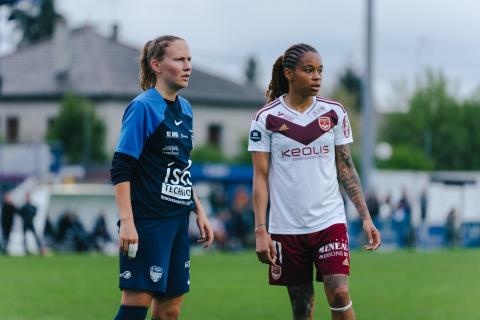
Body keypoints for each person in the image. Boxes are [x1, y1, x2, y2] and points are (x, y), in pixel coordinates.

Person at [248, 43, 381, 320]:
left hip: (329, 221)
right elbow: (260, 178)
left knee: (339, 293)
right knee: (301, 307)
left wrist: (366, 217)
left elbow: (346, 168)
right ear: (289, 73)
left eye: (320, 70)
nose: (317, 76)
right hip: (286, 227)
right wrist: (261, 230)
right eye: (308, 70)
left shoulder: (334, 113)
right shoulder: (265, 118)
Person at [110, 35, 214, 320]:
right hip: (148, 221)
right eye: (179, 59)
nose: (187, 66)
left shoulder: (186, 109)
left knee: (170, 311)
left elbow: (181, 166)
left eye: (189, 59)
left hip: (178, 220)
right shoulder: (143, 107)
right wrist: (128, 222)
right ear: (156, 65)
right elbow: (121, 167)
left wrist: (199, 210)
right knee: (136, 303)